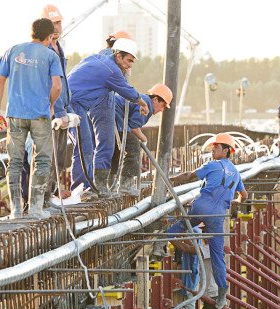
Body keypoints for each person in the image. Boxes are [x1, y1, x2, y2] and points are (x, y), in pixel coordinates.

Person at [165, 133, 247, 309]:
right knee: (218, 256)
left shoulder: (212, 165)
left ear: (226, 151)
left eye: (216, 148)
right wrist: (233, 201)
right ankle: (222, 292)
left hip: (199, 209)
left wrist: (169, 179)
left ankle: (172, 247)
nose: (212, 151)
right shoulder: (236, 172)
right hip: (217, 216)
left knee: (171, 232)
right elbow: (244, 196)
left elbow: (189, 175)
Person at [0, 18, 62, 219]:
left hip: (15, 114)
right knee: (42, 160)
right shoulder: (50, 55)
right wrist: (51, 105)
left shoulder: (13, 51)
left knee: (14, 161)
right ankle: (36, 209)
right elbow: (57, 86)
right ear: (49, 37)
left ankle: (15, 210)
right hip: (39, 115)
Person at [68, 38, 149, 195]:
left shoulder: (97, 59)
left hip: (77, 104)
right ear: (118, 56)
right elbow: (129, 92)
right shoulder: (111, 70)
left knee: (89, 144)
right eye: (128, 60)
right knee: (85, 145)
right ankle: (86, 189)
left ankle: (95, 186)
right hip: (72, 104)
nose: (130, 65)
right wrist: (143, 104)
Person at [20, 4, 73, 208]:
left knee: (57, 157)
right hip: (46, 111)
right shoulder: (42, 51)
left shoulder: (59, 47)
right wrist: (53, 108)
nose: (58, 27)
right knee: (43, 158)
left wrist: (65, 109)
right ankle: (37, 202)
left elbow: (62, 82)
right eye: (54, 23)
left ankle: (47, 197)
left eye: (59, 22)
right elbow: (50, 84)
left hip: (59, 110)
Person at [112, 83, 172, 196]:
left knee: (115, 149)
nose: (162, 110)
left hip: (108, 114)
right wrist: (144, 138)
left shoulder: (143, 100)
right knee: (133, 147)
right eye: (163, 105)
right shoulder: (146, 105)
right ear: (155, 99)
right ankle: (125, 186)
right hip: (114, 116)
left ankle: (110, 183)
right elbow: (134, 127)